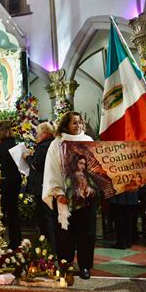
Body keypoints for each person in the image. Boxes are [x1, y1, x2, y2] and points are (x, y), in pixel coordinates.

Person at [42, 111, 97, 280]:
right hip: (65, 198)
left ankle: (85, 266)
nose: (78, 126)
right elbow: (51, 169)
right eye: (74, 123)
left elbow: (95, 168)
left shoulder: (88, 142)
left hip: (86, 197)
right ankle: (66, 264)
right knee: (65, 234)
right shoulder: (57, 144)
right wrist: (58, 193)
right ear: (66, 125)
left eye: (80, 122)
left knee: (86, 233)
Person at [23, 121, 57, 252]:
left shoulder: (43, 146)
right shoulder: (52, 144)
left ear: (45, 133)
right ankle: (50, 244)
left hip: (42, 186)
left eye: (38, 133)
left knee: (45, 217)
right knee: (49, 216)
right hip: (49, 185)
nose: (36, 135)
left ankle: (48, 246)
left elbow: (36, 164)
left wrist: (27, 157)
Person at [0, 124, 22, 249]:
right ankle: (16, 241)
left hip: (1, 182)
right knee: (13, 211)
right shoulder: (17, 146)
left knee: (0, 210)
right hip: (15, 181)